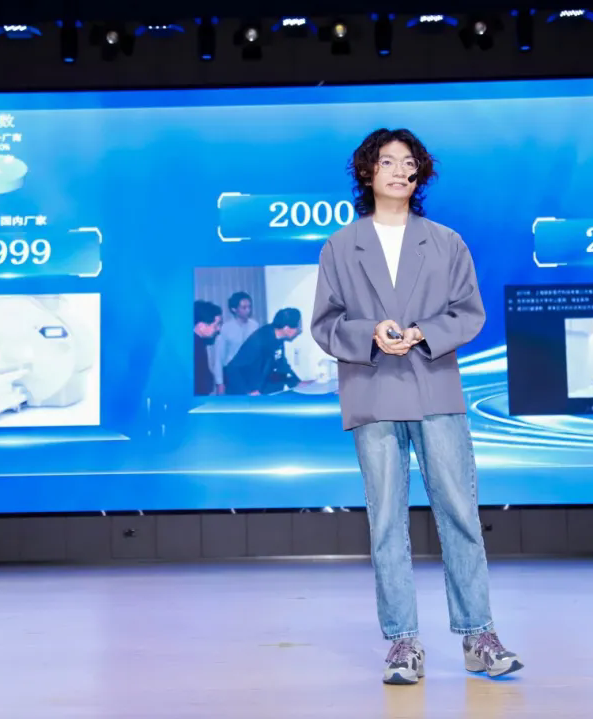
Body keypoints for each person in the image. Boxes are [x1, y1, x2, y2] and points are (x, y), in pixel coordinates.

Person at [311, 128, 522, 685]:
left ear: (420, 173)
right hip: (373, 392)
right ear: (367, 172)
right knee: (386, 521)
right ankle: (403, 642)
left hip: (435, 387)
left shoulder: (446, 242)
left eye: (410, 163)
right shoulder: (340, 246)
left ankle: (479, 635)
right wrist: (369, 332)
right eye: (388, 162)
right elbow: (325, 324)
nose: (400, 171)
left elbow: (469, 313)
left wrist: (423, 332)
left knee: (460, 513)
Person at [224, 308, 303, 395]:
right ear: (287, 329)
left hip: (258, 390)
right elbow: (233, 368)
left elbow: (281, 364)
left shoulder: (277, 338)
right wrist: (248, 391)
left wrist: (297, 383)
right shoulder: (260, 340)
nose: (299, 330)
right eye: (298, 327)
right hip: (243, 391)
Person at [211, 291, 260, 395]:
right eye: (244, 307)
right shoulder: (225, 328)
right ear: (234, 309)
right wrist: (220, 383)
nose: (248, 310)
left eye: (249, 307)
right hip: (231, 374)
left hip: (250, 374)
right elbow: (219, 357)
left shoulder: (255, 326)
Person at [193, 300, 223, 396]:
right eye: (216, 325)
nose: (218, 329)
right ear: (201, 326)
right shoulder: (194, 347)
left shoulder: (198, 342)